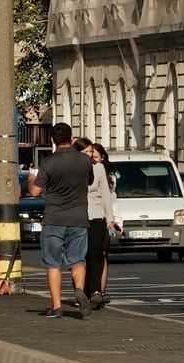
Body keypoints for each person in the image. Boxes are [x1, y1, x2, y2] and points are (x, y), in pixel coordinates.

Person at [29, 122, 95, 319]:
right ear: (72, 138)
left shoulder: (48, 163)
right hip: (79, 218)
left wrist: (31, 180)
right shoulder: (84, 161)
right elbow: (89, 181)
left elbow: (35, 192)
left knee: (53, 263)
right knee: (78, 260)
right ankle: (80, 290)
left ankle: (57, 306)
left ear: (52, 141)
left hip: (54, 218)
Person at [80, 140, 119, 308]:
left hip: (96, 216)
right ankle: (81, 292)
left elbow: (106, 195)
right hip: (77, 217)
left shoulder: (99, 169)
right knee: (81, 257)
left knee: (96, 254)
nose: (89, 155)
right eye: (86, 152)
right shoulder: (74, 169)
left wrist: (110, 219)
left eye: (91, 152)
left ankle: (95, 291)